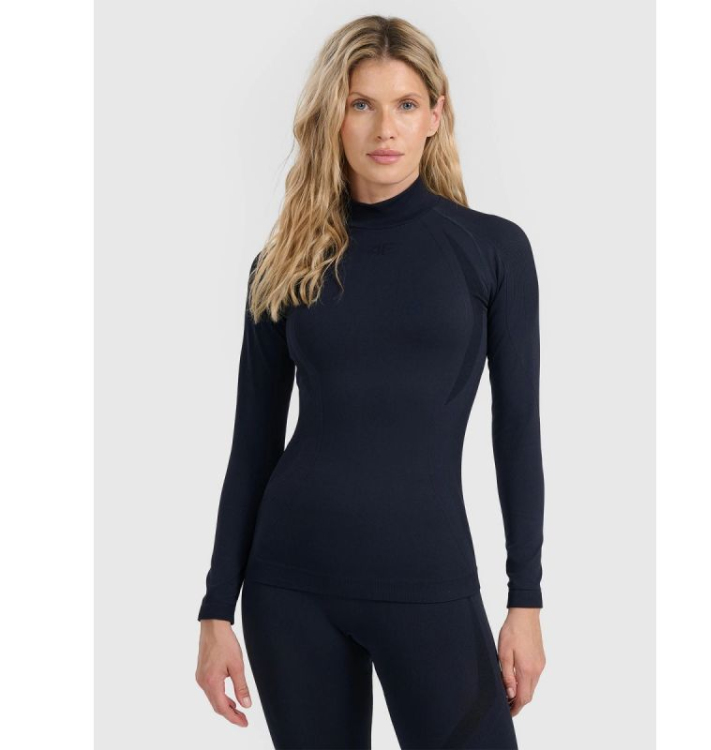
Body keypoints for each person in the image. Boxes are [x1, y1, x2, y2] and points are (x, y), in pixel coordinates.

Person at [195, 14, 546, 750]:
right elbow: (252, 445)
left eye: (405, 104)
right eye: (362, 104)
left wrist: (526, 601)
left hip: (429, 583)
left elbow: (516, 433)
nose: (385, 128)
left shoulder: (492, 251)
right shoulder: (282, 265)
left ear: (435, 115)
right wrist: (215, 610)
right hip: (290, 587)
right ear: (333, 116)